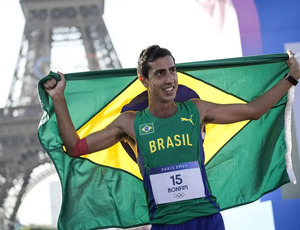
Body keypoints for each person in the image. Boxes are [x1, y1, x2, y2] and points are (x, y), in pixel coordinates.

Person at [43, 45, 300, 230]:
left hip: (207, 218)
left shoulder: (197, 110)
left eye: (172, 70)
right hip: (166, 224)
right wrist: (58, 98)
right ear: (143, 80)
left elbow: (254, 111)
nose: (170, 79)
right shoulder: (131, 123)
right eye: (160, 73)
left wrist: (292, 78)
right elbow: (75, 147)